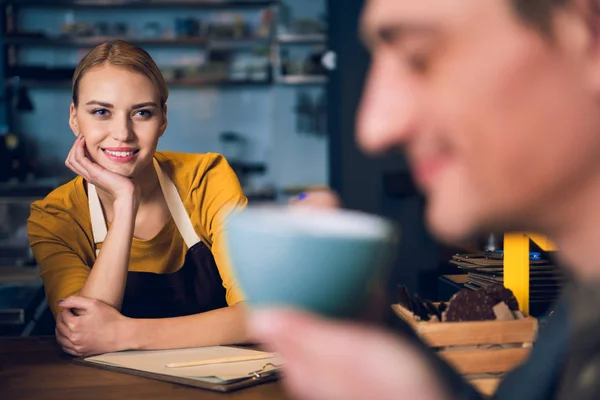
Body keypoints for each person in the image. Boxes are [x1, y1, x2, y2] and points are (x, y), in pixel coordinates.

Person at [250, 0, 600, 399]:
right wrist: (377, 331)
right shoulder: (579, 324)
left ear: (591, 35)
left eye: (420, 58)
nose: (375, 128)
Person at [27, 40, 249, 357]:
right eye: (101, 112)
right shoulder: (55, 216)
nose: (123, 133)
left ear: (163, 119)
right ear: (75, 117)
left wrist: (123, 333)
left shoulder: (206, 178)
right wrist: (125, 200)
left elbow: (261, 316)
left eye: (142, 113)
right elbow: (82, 333)